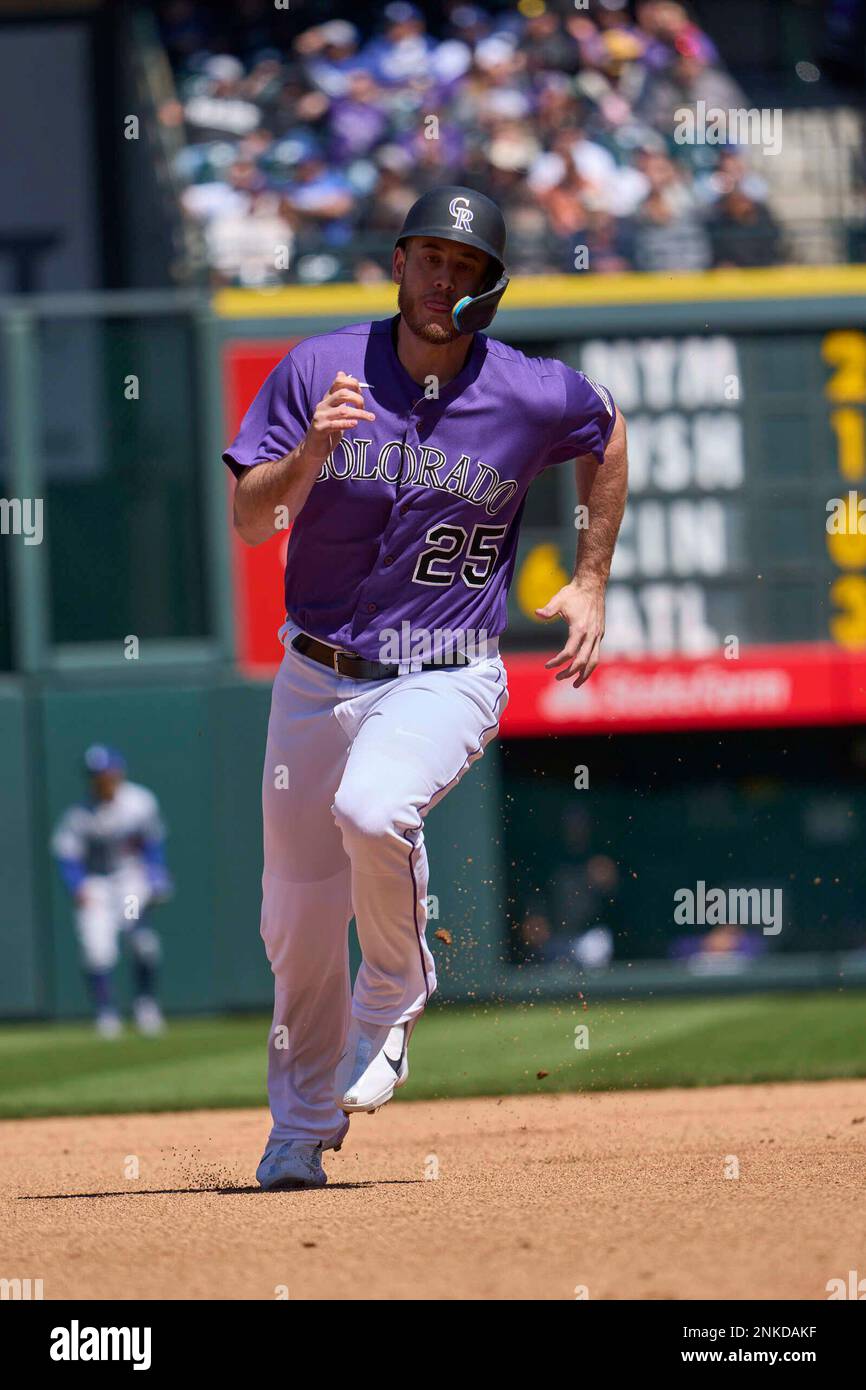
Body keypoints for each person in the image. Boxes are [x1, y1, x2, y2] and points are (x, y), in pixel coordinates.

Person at [223, 184, 628, 1191]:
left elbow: (607, 432)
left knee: (373, 807)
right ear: (397, 262)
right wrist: (311, 449)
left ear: (487, 284)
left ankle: (397, 987)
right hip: (315, 675)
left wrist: (587, 578)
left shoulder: (527, 390)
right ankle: (298, 1128)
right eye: (424, 255)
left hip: (444, 671)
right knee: (296, 924)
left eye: (461, 263)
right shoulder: (318, 368)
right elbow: (245, 516)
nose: (438, 275)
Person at [51, 746, 172, 1038]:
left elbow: (153, 843)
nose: (103, 779)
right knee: (96, 948)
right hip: (97, 885)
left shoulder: (139, 802)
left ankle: (146, 1005)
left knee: (140, 938)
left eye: (107, 773)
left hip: (130, 880)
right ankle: (106, 1013)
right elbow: (67, 855)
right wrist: (76, 885)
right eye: (97, 775)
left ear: (118, 772)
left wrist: (155, 874)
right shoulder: (79, 815)